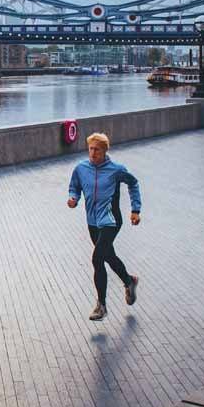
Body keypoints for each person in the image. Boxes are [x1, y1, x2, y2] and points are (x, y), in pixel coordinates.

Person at [67, 132, 141, 320]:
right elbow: (74, 186)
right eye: (90, 149)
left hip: (111, 220)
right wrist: (73, 198)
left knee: (97, 258)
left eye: (97, 150)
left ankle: (101, 306)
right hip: (92, 222)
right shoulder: (81, 168)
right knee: (108, 256)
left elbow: (133, 183)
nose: (93, 153)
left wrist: (135, 209)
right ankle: (129, 280)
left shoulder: (116, 170)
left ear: (105, 151)